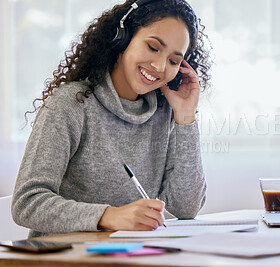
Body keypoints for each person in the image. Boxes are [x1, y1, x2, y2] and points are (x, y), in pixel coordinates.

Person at [12, 0, 212, 238]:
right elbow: (27, 202)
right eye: (153, 47)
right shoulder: (72, 104)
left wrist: (186, 117)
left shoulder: (164, 113)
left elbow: (185, 208)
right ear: (122, 37)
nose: (159, 66)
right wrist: (109, 216)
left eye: (173, 61)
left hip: (130, 255)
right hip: (66, 259)